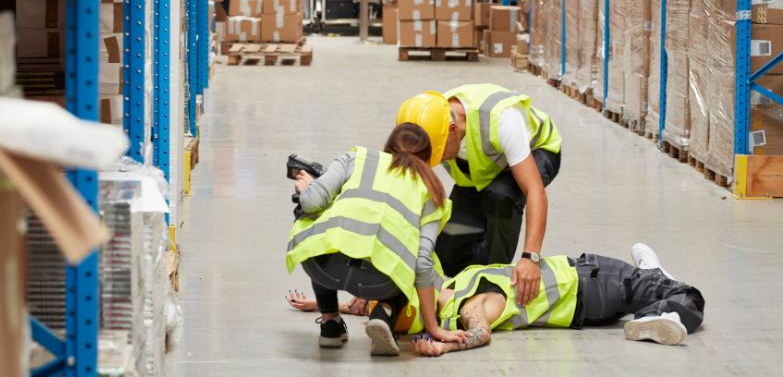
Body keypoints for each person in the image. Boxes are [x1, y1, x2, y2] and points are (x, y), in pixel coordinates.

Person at [285, 123, 470, 356]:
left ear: (386, 147)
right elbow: (422, 263)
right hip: (380, 282)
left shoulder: (356, 158)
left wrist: (310, 188)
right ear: (426, 159)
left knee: (321, 227)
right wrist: (433, 328)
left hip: (323, 268)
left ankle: (330, 322)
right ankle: (384, 313)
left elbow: (311, 202)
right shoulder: (432, 191)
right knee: (425, 262)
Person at [397, 85, 562, 310]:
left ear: (452, 129)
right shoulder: (430, 121)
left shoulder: (501, 120)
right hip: (484, 169)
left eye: (435, 154)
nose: (432, 162)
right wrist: (391, 272)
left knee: (501, 194)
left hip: (536, 151)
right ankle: (480, 273)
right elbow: (407, 201)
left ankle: (496, 281)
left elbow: (535, 192)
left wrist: (530, 257)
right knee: (447, 252)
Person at [412, 244, 706, 357]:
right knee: (689, 295)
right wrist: (445, 345)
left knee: (651, 282)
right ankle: (657, 316)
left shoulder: (453, 286)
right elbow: (480, 331)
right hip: (593, 282)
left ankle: (650, 275)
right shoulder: (469, 306)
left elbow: (425, 263)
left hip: (584, 310)